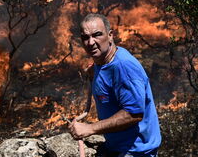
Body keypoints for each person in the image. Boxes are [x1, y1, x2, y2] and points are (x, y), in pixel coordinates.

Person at [69, 13, 161, 157]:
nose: (91, 42)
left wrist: (90, 129)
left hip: (136, 151)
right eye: (85, 37)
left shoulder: (123, 66)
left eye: (97, 35)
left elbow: (133, 114)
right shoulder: (102, 61)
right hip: (116, 147)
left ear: (110, 35)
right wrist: (95, 72)